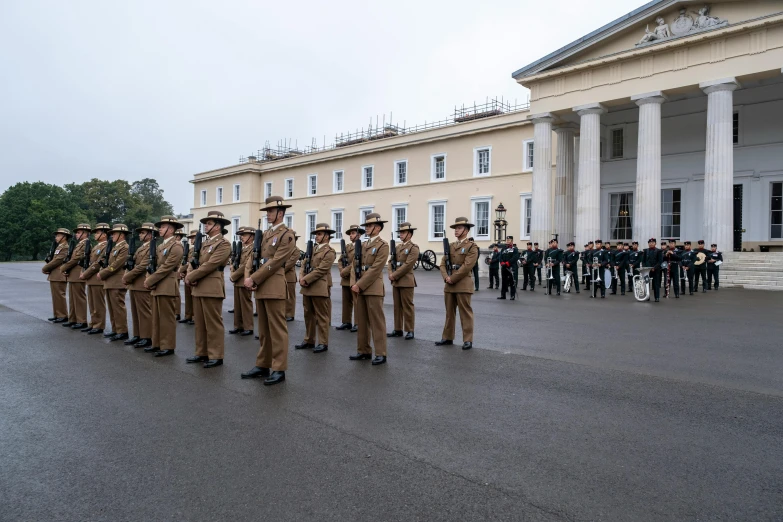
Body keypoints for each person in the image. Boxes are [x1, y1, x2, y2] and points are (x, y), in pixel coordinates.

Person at [241, 196, 297, 385]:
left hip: (273, 286)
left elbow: (276, 261)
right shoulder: (264, 234)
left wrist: (254, 278)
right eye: (267, 212)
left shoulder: (286, 235)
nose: (268, 215)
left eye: (271, 212)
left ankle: (279, 368)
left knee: (277, 330)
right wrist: (248, 276)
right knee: (264, 330)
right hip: (261, 286)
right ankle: (263, 364)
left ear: (280, 213)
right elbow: (252, 258)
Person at [185, 211, 231, 367]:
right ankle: (201, 352)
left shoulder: (223, 244)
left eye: (209, 223)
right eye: (206, 223)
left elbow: (210, 265)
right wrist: (189, 273)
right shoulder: (204, 243)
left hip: (211, 286)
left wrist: (191, 277)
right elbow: (194, 261)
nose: (206, 225)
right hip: (198, 286)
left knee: (213, 323)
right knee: (200, 322)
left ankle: (216, 355)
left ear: (218, 226)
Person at [348, 213, 389, 365]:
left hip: (372, 287)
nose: (367, 228)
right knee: (362, 320)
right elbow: (354, 265)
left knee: (376, 321)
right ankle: (363, 350)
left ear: (378, 228)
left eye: (370, 226)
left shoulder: (383, 245)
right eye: (366, 226)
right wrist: (353, 283)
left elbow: (376, 268)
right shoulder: (363, 245)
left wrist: (360, 284)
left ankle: (381, 353)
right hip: (359, 286)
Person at [144, 216, 185, 357]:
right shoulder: (161, 246)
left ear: (171, 229)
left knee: (166, 317)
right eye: (160, 226)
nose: (159, 229)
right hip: (158, 284)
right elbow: (153, 265)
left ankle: (168, 345)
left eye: (162, 226)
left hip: (167, 284)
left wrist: (150, 280)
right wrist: (149, 277)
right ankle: (157, 343)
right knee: (156, 316)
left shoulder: (177, 245)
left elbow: (167, 267)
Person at [436, 217, 479, 350]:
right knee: (449, 313)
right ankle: (447, 337)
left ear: (466, 230)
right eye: (455, 228)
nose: (456, 230)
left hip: (462, 283)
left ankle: (467, 340)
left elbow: (467, 266)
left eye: (459, 228)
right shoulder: (451, 246)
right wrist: (445, 277)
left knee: (465, 313)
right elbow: (442, 263)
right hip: (449, 283)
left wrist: (452, 278)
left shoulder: (472, 247)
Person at [296, 223, 336, 353]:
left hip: (318, 285)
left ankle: (323, 342)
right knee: (308, 314)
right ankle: (309, 339)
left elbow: (321, 270)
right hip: (307, 286)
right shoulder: (312, 249)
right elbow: (303, 264)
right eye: (316, 234)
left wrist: (306, 279)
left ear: (327, 236)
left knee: (321, 316)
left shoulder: (329, 251)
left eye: (319, 234)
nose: (317, 237)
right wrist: (301, 276)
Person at [122, 222, 154, 348]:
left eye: (143, 232)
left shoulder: (152, 248)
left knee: (144, 312)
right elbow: (131, 263)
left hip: (141, 282)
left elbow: (142, 266)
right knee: (135, 312)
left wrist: (127, 276)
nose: (140, 235)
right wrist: (127, 275)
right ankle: (138, 334)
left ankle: (147, 336)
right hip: (134, 283)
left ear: (150, 234)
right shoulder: (141, 248)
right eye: (140, 232)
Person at [387, 222, 419, 340]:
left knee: (407, 306)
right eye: (400, 232)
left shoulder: (413, 248)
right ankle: (398, 329)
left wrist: (394, 275)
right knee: (397, 306)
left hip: (406, 280)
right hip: (396, 281)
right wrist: (390, 273)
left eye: (403, 232)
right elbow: (391, 261)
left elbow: (408, 265)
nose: (400, 234)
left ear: (409, 234)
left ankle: (410, 330)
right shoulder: (398, 247)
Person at [98, 224, 130, 341]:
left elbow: (116, 265)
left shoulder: (124, 247)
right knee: (112, 307)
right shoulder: (115, 247)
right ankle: (115, 329)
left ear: (121, 235)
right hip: (110, 281)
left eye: (114, 233)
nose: (112, 236)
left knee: (118, 307)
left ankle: (122, 331)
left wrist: (102, 273)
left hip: (117, 281)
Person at [80, 223, 110, 334]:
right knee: (92, 303)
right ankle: (93, 323)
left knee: (98, 304)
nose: (95, 235)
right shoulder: (97, 246)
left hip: (97, 278)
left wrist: (85, 274)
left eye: (97, 233)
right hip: (91, 278)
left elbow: (97, 263)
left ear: (104, 234)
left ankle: (99, 325)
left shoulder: (106, 246)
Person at [60, 223, 91, 329]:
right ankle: (73, 318)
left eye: (78, 232)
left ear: (85, 233)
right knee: (73, 298)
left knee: (79, 298)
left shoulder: (86, 244)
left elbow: (76, 259)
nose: (76, 234)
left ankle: (82, 320)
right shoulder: (79, 244)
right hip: (73, 274)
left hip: (78, 273)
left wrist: (63, 267)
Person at [229, 226, 256, 336]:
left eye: (244, 235)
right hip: (237, 280)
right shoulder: (243, 248)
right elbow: (236, 261)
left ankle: (248, 327)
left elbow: (245, 265)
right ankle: (238, 326)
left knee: (246, 304)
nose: (241, 237)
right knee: (238, 304)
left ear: (252, 236)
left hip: (244, 278)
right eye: (241, 235)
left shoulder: (253, 248)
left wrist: (234, 275)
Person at [337, 224, 363, 331]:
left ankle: (358, 323)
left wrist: (345, 270)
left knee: (357, 301)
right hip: (345, 277)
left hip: (354, 276)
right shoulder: (347, 247)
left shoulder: (361, 246)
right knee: (346, 301)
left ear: (359, 234)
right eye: (350, 234)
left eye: (353, 233)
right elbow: (340, 260)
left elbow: (355, 262)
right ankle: (346, 321)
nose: (351, 235)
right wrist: (341, 270)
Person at [42, 228, 71, 323]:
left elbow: (57, 260)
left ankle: (63, 315)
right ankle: (57, 314)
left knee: (59, 295)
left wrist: (45, 268)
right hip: (55, 274)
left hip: (59, 275)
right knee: (55, 296)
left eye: (58, 235)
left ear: (64, 237)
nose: (56, 237)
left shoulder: (65, 247)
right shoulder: (59, 247)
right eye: (56, 235)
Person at [178, 230, 196, 325]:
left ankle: (194, 316)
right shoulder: (189, 250)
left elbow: (190, 262)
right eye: (190, 238)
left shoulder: (199, 249)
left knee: (194, 298)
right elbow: (184, 261)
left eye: (193, 238)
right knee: (188, 297)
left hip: (194, 275)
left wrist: (181, 269)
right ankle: (188, 315)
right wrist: (183, 272)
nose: (191, 240)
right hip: (187, 275)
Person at [284, 231, 301, 322]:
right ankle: (283, 313)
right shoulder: (283, 248)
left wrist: (276, 269)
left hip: (289, 276)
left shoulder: (295, 250)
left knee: (290, 297)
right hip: (281, 276)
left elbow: (290, 263)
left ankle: (290, 314)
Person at [497, 236, 519, 300]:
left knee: (512, 282)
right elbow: (500, 256)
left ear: (512, 241)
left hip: (511, 267)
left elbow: (515, 257)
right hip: (504, 267)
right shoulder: (504, 249)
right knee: (504, 281)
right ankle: (503, 295)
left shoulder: (515, 249)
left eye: (509, 240)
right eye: (507, 240)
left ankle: (512, 295)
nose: (508, 241)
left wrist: (508, 263)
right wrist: (501, 263)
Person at [643, 238, 663, 302]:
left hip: (656, 270)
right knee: (647, 283)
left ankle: (657, 297)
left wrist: (654, 267)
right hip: (647, 270)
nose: (651, 244)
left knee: (656, 284)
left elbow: (660, 261)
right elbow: (643, 261)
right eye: (650, 243)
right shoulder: (645, 251)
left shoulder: (659, 251)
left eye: (653, 242)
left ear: (655, 243)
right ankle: (647, 296)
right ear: (648, 244)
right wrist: (645, 268)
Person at [173, 229, 186, 320]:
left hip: (176, 270)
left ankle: (177, 312)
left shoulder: (179, 246)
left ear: (178, 237)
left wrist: (180, 271)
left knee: (176, 293)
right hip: (175, 271)